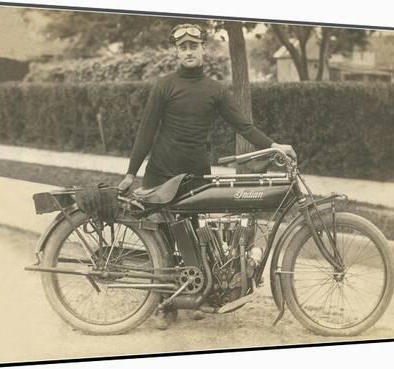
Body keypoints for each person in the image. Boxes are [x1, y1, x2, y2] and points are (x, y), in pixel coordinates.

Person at [117, 23, 296, 329]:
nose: (188, 51)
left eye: (193, 46)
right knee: (162, 237)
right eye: (183, 47)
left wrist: (273, 145)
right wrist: (131, 173)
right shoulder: (164, 85)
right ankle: (165, 306)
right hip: (161, 170)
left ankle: (194, 295)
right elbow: (146, 131)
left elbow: (243, 125)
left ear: (202, 49)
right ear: (177, 51)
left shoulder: (215, 90)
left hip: (196, 173)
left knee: (193, 237)